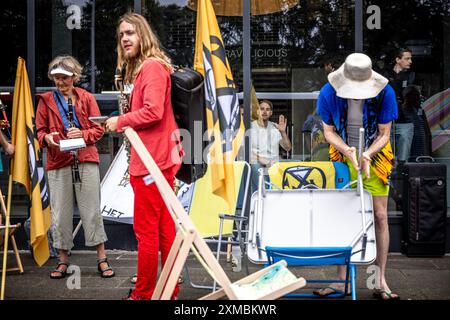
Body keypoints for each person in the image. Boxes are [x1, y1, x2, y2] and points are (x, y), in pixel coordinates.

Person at [105, 13, 183, 300]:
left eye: (131, 33)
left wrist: (120, 121)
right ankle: (169, 292)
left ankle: (144, 294)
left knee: (147, 232)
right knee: (164, 232)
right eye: (121, 35)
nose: (125, 39)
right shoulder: (153, 67)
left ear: (143, 36)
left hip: (152, 161)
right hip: (159, 159)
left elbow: (153, 111)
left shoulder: (150, 68)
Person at [315, 53, 400, 300]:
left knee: (380, 216)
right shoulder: (329, 92)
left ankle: (379, 281)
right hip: (342, 153)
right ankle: (341, 282)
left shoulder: (385, 93)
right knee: (343, 216)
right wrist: (348, 151)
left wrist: (367, 154)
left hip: (376, 154)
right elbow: (329, 132)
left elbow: (385, 134)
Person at [36, 55, 114, 279]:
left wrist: (83, 133)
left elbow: (99, 130)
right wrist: (47, 139)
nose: (60, 83)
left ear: (75, 77)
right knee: (60, 212)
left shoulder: (87, 97)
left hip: (86, 158)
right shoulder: (46, 100)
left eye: (65, 78)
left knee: (92, 210)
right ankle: (62, 260)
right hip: (58, 160)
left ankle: (101, 258)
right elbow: (39, 131)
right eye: (57, 78)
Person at [250, 99, 291, 191]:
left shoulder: (274, 127)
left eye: (267, 109)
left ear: (271, 113)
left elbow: (287, 148)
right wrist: (263, 160)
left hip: (273, 164)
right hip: (257, 163)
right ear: (257, 111)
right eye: (262, 109)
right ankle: (260, 197)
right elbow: (245, 151)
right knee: (256, 166)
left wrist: (283, 132)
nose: (264, 111)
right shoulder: (250, 127)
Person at [385, 48, 415, 162]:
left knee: (403, 158)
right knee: (387, 158)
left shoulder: (411, 75)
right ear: (398, 60)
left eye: (410, 58)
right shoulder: (386, 74)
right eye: (407, 58)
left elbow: (411, 96)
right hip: (387, 121)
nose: (410, 61)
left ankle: (403, 177)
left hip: (405, 120)